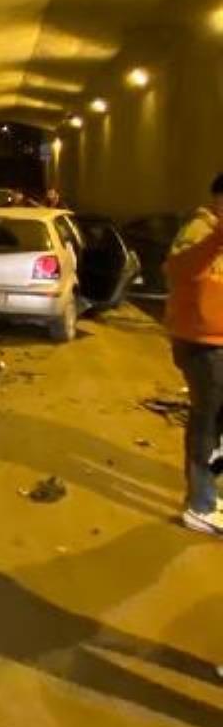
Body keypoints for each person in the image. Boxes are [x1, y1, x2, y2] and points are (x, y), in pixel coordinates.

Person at [165, 172, 223, 535]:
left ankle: (211, 492)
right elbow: (174, 270)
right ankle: (200, 505)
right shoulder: (200, 230)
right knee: (208, 420)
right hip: (202, 343)